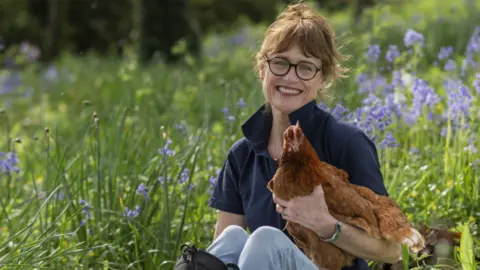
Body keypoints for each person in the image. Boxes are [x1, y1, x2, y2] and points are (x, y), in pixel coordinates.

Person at [206, 2, 402, 269]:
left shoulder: (347, 143)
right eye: (280, 63)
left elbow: (392, 251)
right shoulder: (242, 155)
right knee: (231, 239)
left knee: (265, 240)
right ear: (262, 70)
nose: (290, 77)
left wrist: (325, 224)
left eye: (306, 67)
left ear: (323, 78)